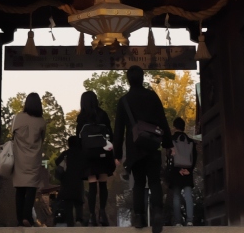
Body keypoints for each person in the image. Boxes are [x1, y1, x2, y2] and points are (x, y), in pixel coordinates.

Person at [113, 65, 173, 233]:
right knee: (154, 181)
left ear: (128, 79)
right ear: (142, 77)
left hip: (135, 149)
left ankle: (139, 217)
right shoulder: (152, 96)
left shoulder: (124, 101)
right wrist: (168, 144)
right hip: (152, 146)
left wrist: (117, 154)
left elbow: (118, 131)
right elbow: (162, 121)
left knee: (138, 183)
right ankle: (158, 214)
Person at [78, 90, 116, 226]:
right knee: (103, 183)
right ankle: (103, 213)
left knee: (92, 184)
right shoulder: (103, 114)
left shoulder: (82, 117)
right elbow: (111, 135)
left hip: (89, 156)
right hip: (103, 154)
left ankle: (92, 216)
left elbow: (78, 138)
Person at [12, 92, 47, 227]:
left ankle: (19, 218)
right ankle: (27, 216)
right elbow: (42, 139)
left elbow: (12, 134)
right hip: (33, 158)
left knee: (20, 189)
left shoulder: (18, 118)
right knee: (31, 188)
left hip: (19, 157)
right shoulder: (41, 121)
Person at [167, 118, 197, 226]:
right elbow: (194, 157)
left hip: (176, 170)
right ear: (183, 127)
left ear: (175, 127)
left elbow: (169, 156)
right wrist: (189, 170)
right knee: (188, 195)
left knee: (176, 196)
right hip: (187, 170)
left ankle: (178, 221)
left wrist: (175, 170)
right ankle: (189, 220)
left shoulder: (171, 140)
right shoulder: (190, 141)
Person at [53, 133, 87, 225]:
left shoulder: (66, 154)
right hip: (78, 182)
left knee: (68, 204)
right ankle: (79, 219)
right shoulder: (81, 154)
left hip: (66, 183)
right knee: (79, 202)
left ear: (69, 144)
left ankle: (70, 223)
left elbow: (57, 162)